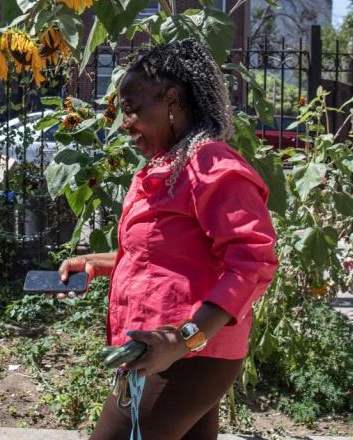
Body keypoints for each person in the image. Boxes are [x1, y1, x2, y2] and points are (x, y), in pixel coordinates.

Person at [58, 39, 279, 440]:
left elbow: (253, 263)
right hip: (173, 353)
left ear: (172, 100)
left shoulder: (211, 165)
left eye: (133, 109)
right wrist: (96, 263)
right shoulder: (171, 164)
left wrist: (182, 339)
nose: (124, 123)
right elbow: (159, 257)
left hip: (186, 357)